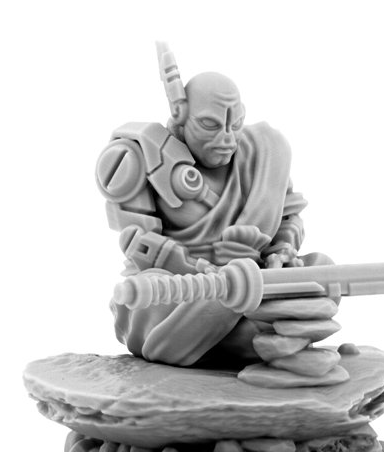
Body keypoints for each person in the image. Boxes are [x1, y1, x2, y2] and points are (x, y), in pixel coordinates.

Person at [95, 44, 332, 366]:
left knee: (322, 268)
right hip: (182, 291)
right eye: (209, 125)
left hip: (258, 282)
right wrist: (206, 272)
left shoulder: (262, 153)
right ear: (180, 115)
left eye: (235, 125)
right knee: (143, 293)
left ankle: (251, 334)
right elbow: (139, 245)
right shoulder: (139, 157)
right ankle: (254, 337)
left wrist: (283, 250)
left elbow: (288, 217)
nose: (227, 139)